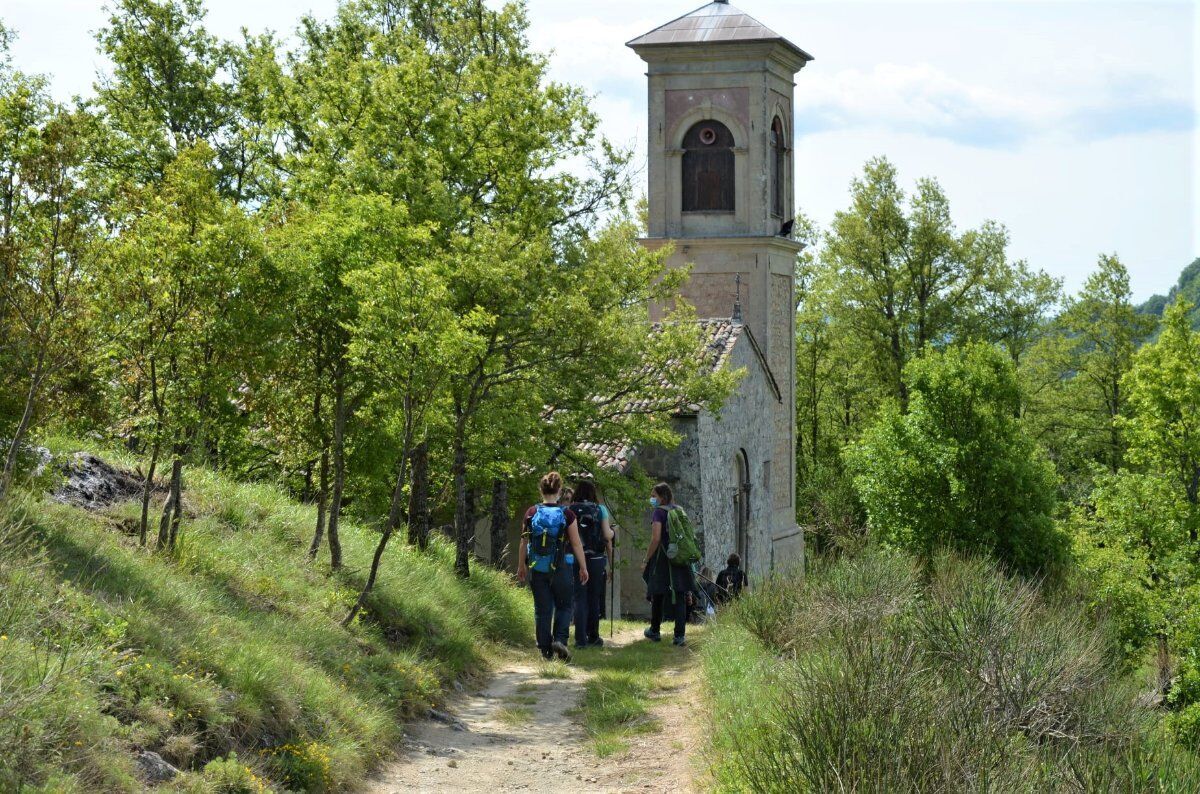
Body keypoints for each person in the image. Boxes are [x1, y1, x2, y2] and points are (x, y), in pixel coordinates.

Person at [517, 472, 589, 662]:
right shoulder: (567, 514)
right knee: (565, 606)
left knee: (542, 610)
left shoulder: (532, 512)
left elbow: (523, 542)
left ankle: (544, 651)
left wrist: (521, 566)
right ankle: (559, 640)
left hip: (537, 568)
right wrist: (583, 567)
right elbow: (576, 544)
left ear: (541, 490)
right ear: (559, 491)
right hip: (560, 567)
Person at [642, 482, 694, 646]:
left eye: (654, 496)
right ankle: (679, 636)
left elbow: (656, 538)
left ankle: (655, 630)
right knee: (679, 595)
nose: (652, 499)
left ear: (662, 497)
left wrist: (646, 559)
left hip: (663, 558)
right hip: (680, 557)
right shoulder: (679, 510)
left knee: (657, 593)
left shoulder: (659, 512)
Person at [569, 480, 614, 648]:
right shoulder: (600, 509)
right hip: (596, 559)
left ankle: (580, 640)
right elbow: (607, 536)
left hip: (575, 558)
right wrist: (613, 531)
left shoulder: (570, 510)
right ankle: (594, 636)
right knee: (594, 598)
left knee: (579, 598)